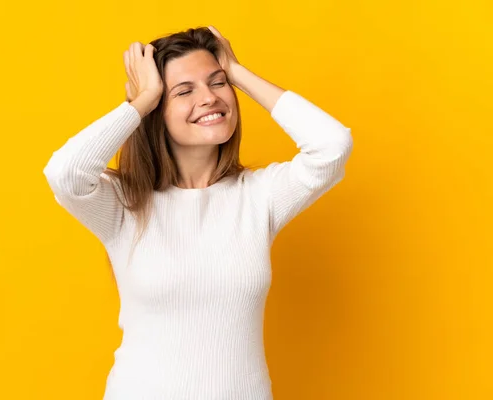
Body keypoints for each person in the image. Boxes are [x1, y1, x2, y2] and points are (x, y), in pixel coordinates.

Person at [43, 26, 353, 400]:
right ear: (157, 110)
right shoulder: (123, 203)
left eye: (217, 83)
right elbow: (64, 174)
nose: (208, 98)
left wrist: (237, 72)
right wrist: (142, 101)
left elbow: (332, 147)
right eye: (184, 91)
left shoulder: (258, 197)